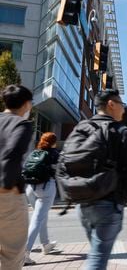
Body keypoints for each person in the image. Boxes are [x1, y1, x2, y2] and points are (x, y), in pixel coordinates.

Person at [77, 89, 127, 269]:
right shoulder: (122, 132)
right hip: (108, 203)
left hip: (82, 203)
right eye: (122, 104)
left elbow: (64, 164)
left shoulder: (81, 128)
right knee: (97, 259)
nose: (124, 110)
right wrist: (121, 200)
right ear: (111, 105)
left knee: (96, 253)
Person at [0, 85, 33, 270]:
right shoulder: (21, 124)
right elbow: (12, 153)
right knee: (12, 253)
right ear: (26, 104)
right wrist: (5, 185)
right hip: (8, 195)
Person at [24, 133, 59, 265]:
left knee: (41, 217)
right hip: (46, 188)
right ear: (53, 142)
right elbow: (61, 170)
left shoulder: (36, 152)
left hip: (30, 188)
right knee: (37, 219)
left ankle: (46, 244)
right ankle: (24, 253)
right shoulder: (54, 153)